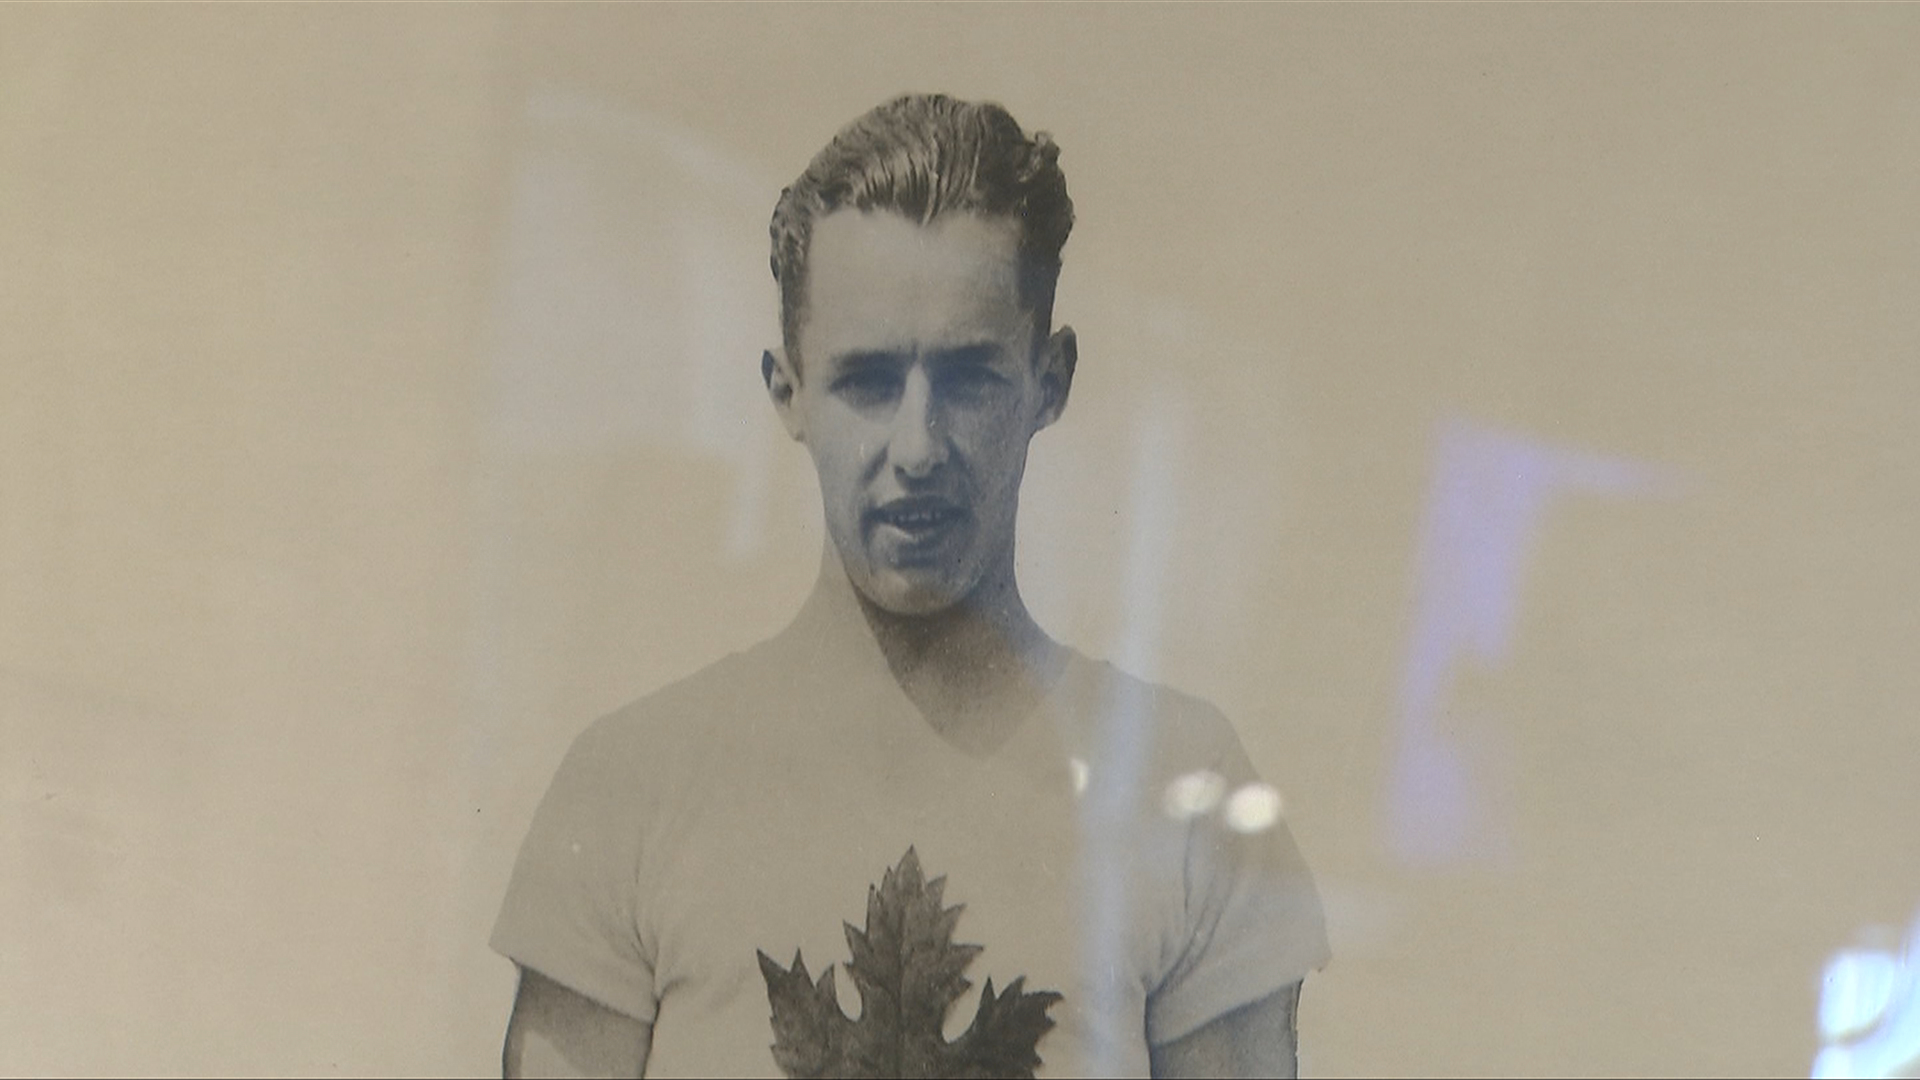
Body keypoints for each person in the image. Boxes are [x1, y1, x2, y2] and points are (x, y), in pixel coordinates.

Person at [492, 93, 1329, 1079]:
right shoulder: (632, 787)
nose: (918, 446)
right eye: (869, 380)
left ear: (1050, 380)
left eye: (971, 378)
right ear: (787, 390)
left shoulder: (1185, 789)